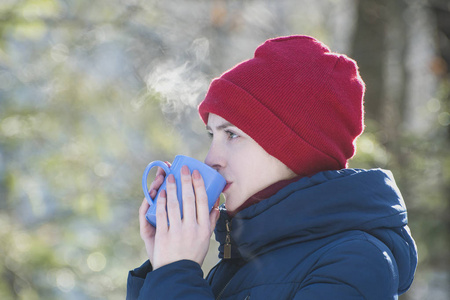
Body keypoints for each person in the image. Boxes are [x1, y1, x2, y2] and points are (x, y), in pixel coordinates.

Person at [127, 35, 417, 299]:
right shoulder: (237, 263)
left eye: (231, 134)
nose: (210, 159)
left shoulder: (355, 262)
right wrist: (161, 268)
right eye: (211, 135)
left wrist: (176, 275)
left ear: (295, 151)